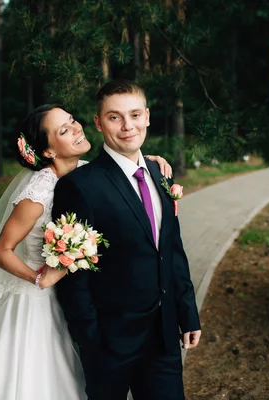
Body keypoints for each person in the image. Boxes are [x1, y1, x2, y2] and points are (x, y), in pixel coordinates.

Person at [0, 103, 173, 400]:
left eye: (73, 120)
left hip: (83, 300)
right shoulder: (39, 191)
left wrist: (150, 162)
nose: (76, 128)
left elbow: (124, 172)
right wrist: (39, 278)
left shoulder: (89, 171)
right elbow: (0, 251)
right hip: (39, 305)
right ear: (49, 151)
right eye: (64, 130)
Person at [52, 80, 202, 400]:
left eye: (134, 115)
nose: (127, 126)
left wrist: (187, 312)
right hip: (110, 345)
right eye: (114, 117)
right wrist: (91, 339)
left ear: (147, 116)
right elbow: (72, 273)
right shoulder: (79, 186)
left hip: (164, 338)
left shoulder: (160, 173)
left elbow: (172, 250)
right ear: (98, 122)